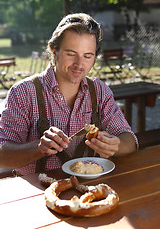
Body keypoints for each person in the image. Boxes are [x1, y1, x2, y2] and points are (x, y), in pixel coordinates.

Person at [0, 13, 138, 175]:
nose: (79, 64)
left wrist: (116, 145)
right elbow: (3, 156)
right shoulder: (24, 92)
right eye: (71, 54)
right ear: (54, 50)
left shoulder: (99, 91)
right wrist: (38, 147)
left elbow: (130, 141)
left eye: (87, 56)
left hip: (90, 190)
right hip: (38, 192)